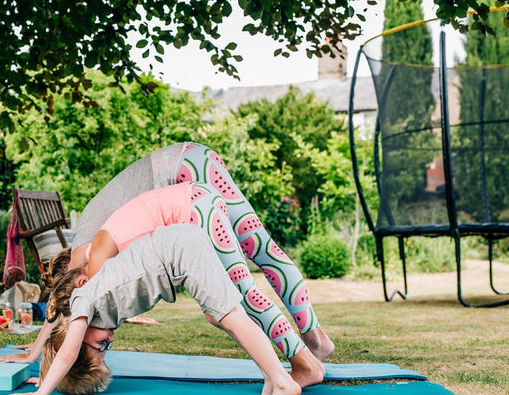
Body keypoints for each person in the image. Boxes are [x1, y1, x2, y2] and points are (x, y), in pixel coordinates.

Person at [69, 142, 334, 360]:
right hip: (196, 159)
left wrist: (50, 345)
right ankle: (316, 341)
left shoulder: (89, 253)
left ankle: (303, 363)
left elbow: (78, 302)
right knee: (264, 251)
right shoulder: (98, 236)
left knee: (238, 289)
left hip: (185, 179)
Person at [1, 225, 303, 395]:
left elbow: (67, 351)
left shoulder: (82, 301)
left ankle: (282, 381)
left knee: (231, 315)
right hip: (180, 249)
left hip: (180, 252)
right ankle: (269, 375)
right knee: (219, 317)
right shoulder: (99, 313)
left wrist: (41, 394)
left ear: (78, 341)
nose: (109, 344)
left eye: (99, 349)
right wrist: (50, 377)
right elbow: (67, 355)